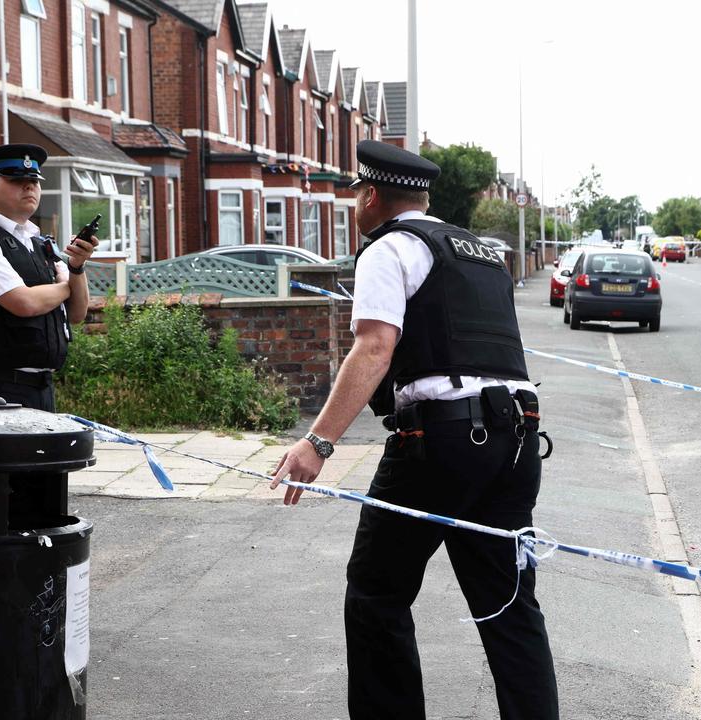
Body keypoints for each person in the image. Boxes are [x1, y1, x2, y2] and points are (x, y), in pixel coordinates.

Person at [272, 140, 559, 720]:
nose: (356, 202)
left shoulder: (390, 249)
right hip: (517, 437)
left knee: (377, 593)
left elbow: (374, 347)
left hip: (439, 443)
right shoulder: (483, 254)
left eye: (357, 192)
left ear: (372, 195)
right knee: (507, 605)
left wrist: (318, 442)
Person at [0, 143, 97, 411]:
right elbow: (24, 303)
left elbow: (78, 313)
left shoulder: (40, 244)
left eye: (34, 181)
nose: (29, 187)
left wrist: (77, 268)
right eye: (17, 180)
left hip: (40, 389)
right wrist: (65, 286)